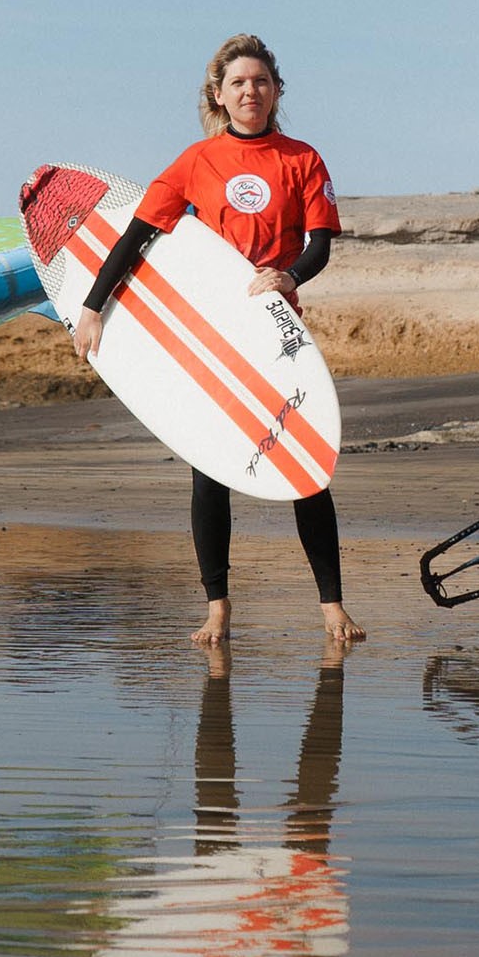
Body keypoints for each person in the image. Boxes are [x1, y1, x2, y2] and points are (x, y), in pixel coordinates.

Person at [72, 34, 362, 645]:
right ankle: (217, 607)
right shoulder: (194, 162)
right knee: (211, 468)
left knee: (305, 460)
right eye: (238, 83)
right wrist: (93, 307)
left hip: (276, 324)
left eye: (260, 81)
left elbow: (319, 245)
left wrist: (288, 275)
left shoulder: (302, 158)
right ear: (219, 95)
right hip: (211, 329)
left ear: (277, 91)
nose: (250, 91)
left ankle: (332, 605)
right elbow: (137, 236)